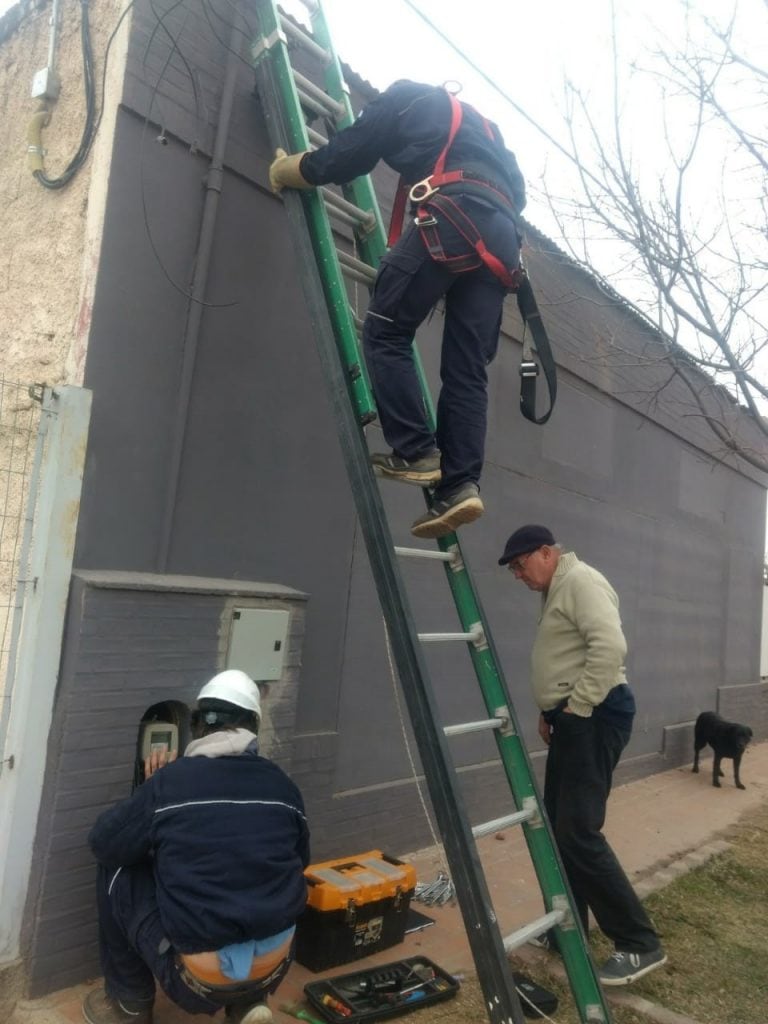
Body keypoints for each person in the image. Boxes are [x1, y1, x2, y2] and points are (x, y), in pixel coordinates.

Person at [269, 79, 526, 539]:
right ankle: (461, 485)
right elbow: (518, 195)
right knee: (468, 370)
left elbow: (353, 152)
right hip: (503, 245)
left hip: (452, 216)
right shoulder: (487, 131)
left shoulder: (407, 98)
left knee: (386, 330)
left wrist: (294, 169)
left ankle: (415, 450)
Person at [83, 670, 310, 1024]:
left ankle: (129, 1004)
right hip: (274, 965)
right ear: (253, 727)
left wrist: (153, 790)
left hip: (197, 980)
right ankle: (247, 1003)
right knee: (260, 881)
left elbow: (106, 843)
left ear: (198, 726)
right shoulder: (284, 788)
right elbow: (301, 860)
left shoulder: (170, 785)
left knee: (116, 871)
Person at [498, 524, 667, 987]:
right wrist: (550, 709)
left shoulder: (580, 582)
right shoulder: (558, 587)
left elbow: (610, 647)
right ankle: (567, 928)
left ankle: (638, 943)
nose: (518, 574)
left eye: (520, 564)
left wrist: (578, 705)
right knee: (560, 825)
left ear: (547, 552)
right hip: (574, 717)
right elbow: (567, 654)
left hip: (595, 715)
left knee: (578, 830)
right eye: (513, 569)